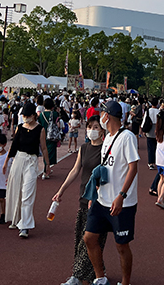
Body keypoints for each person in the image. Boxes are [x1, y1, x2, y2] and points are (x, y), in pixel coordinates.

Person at [84, 100, 139, 285]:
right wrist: (96, 192)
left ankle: (125, 282)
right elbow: (105, 168)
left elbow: (133, 167)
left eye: (102, 114)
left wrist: (122, 195)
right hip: (102, 199)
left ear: (107, 116)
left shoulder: (127, 137)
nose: (100, 117)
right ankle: (100, 277)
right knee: (89, 237)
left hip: (122, 201)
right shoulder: (106, 137)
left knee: (121, 245)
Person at [53, 117, 107, 285]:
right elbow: (75, 170)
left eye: (96, 127)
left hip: (100, 201)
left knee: (89, 239)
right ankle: (96, 273)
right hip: (84, 197)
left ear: (102, 131)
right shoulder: (84, 148)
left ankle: (77, 276)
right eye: (90, 127)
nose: (92, 130)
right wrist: (61, 190)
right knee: (80, 238)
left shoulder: (106, 150)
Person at [4, 101, 51, 239]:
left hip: (31, 161)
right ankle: (16, 218)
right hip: (19, 159)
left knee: (27, 192)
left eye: (27, 115)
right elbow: (13, 146)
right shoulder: (20, 127)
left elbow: (43, 148)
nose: (25, 117)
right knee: (16, 190)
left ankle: (25, 225)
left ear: (33, 115)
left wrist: (47, 164)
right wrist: (6, 162)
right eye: (23, 115)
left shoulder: (40, 129)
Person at [39, 97, 61, 174]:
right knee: (50, 153)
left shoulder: (41, 115)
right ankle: (46, 170)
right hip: (52, 135)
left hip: (43, 135)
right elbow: (58, 125)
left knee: (44, 151)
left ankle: (46, 168)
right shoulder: (55, 114)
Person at [142, 99, 159, 169]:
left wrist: (143, 129)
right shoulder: (159, 111)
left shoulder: (148, 111)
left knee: (150, 147)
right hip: (157, 129)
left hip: (149, 129)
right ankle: (157, 161)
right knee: (157, 147)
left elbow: (145, 120)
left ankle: (151, 162)